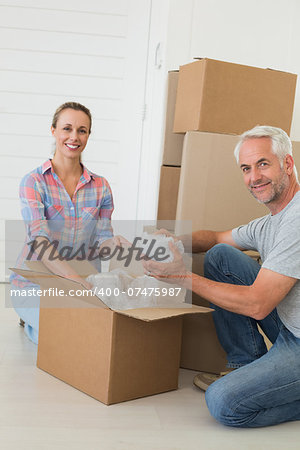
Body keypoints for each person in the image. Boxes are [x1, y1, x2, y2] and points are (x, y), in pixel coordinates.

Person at [143, 125, 300, 428]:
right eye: (246, 168)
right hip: (290, 324)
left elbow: (257, 305)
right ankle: (244, 363)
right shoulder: (272, 221)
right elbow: (215, 237)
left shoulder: (296, 222)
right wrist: (174, 240)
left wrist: (180, 276)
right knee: (220, 256)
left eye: (263, 164)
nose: (254, 177)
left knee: (223, 403)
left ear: (288, 165)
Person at [10, 102, 116, 344]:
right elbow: (40, 241)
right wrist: (73, 280)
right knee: (65, 335)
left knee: (94, 332)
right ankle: (31, 320)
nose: (74, 137)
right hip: (35, 283)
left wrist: (117, 244)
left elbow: (103, 239)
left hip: (82, 283)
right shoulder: (34, 182)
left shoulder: (100, 186)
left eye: (82, 130)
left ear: (89, 135)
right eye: (67, 128)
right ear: (54, 131)